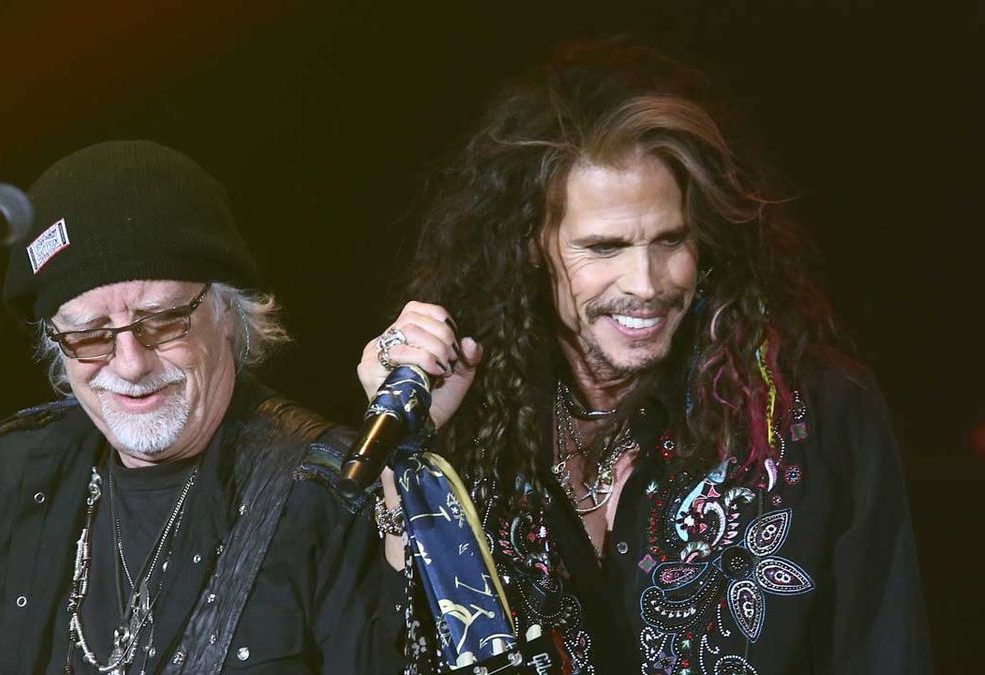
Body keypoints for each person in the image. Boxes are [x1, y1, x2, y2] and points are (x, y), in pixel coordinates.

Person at [359, 42, 930, 674]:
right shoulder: (470, 418)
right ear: (529, 248)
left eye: (670, 239)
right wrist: (411, 457)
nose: (646, 282)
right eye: (603, 247)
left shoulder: (815, 412)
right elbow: (393, 650)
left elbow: (885, 648)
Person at [0, 140, 404, 674]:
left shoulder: (334, 493)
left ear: (226, 311)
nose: (130, 364)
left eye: (163, 320)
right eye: (88, 335)